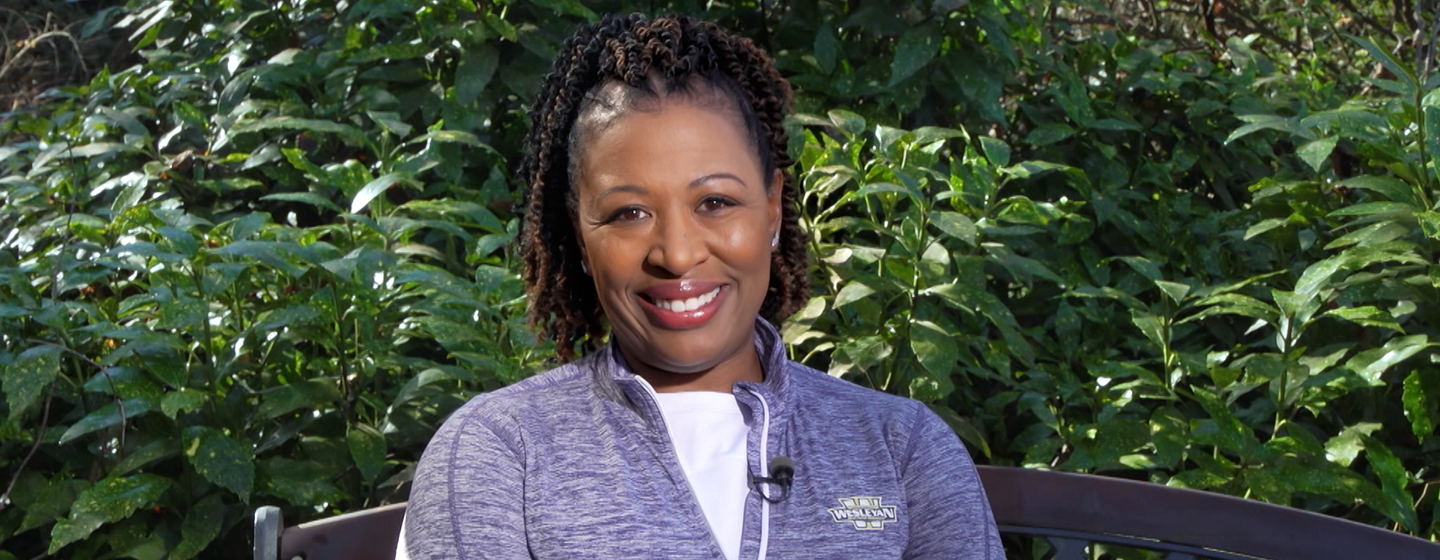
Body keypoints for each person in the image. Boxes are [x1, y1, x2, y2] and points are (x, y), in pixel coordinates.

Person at [400, 13, 1002, 560]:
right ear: (581, 238)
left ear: (771, 211)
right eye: (628, 213)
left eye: (715, 202)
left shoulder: (902, 448)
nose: (678, 253)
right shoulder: (498, 454)